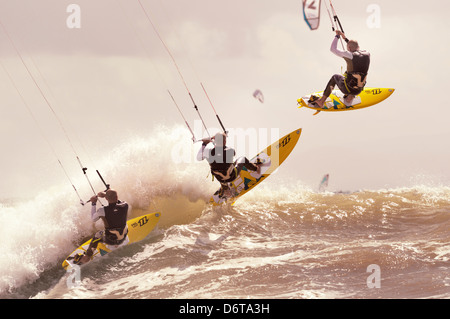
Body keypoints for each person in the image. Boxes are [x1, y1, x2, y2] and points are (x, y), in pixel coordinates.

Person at [313, 30, 370, 108]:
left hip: (347, 89)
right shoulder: (367, 53)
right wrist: (345, 38)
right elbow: (354, 47)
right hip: (358, 90)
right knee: (351, 74)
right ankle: (350, 98)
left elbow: (333, 49)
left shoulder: (349, 55)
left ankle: (321, 101)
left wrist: (337, 36)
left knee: (335, 77)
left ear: (349, 48)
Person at [72, 189, 129, 265]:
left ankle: (87, 257)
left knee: (98, 234)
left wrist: (93, 203)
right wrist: (106, 194)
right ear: (117, 197)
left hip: (111, 242)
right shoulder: (125, 205)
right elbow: (117, 201)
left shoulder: (102, 210)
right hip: (124, 239)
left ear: (106, 199)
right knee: (123, 225)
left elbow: (93, 218)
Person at [197, 132, 262, 198]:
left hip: (220, 179)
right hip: (232, 176)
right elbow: (228, 153)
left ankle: (225, 189)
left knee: (219, 169)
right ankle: (257, 168)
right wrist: (219, 139)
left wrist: (205, 143)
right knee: (242, 159)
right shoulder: (230, 150)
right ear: (224, 142)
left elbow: (199, 158)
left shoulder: (208, 153)